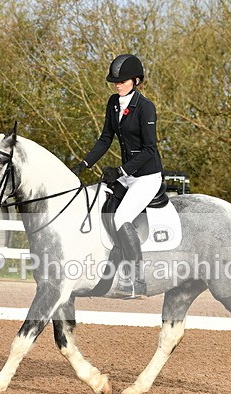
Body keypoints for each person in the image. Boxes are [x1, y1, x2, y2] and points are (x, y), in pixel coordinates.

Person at [71, 54, 163, 298]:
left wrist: (121, 171)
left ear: (136, 80)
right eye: (115, 81)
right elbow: (105, 139)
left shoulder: (146, 108)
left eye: (122, 81)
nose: (117, 85)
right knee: (100, 202)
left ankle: (138, 281)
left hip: (147, 176)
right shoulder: (113, 103)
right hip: (128, 176)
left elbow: (149, 150)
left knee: (121, 216)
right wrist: (83, 164)